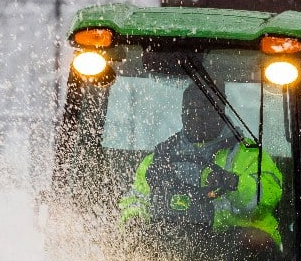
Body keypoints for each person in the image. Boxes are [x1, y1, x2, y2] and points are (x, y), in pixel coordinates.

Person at [119, 85, 283, 249]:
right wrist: (134, 220)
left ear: (220, 111)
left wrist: (235, 183)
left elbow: (267, 198)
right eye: (189, 110)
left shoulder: (249, 153)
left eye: (203, 109)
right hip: (173, 243)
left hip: (230, 243)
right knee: (136, 245)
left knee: (254, 240)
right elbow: (137, 197)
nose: (195, 116)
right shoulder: (161, 156)